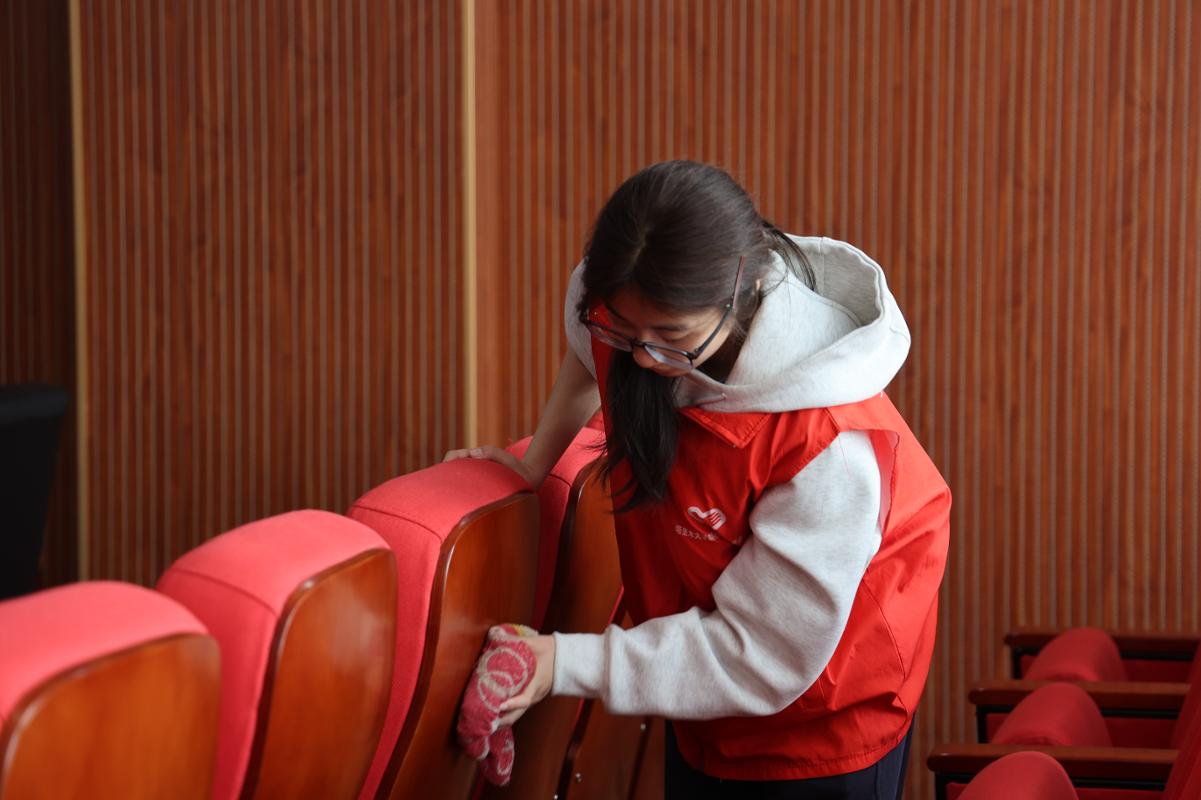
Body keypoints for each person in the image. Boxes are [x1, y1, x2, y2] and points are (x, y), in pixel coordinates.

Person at [444, 160, 951, 798]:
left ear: (743, 293)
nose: (643, 357)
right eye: (623, 332)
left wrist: (561, 664)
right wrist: (532, 465)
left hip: (821, 730)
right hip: (703, 699)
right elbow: (588, 349)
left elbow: (760, 655)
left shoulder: (827, 447)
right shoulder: (624, 305)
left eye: (671, 338)